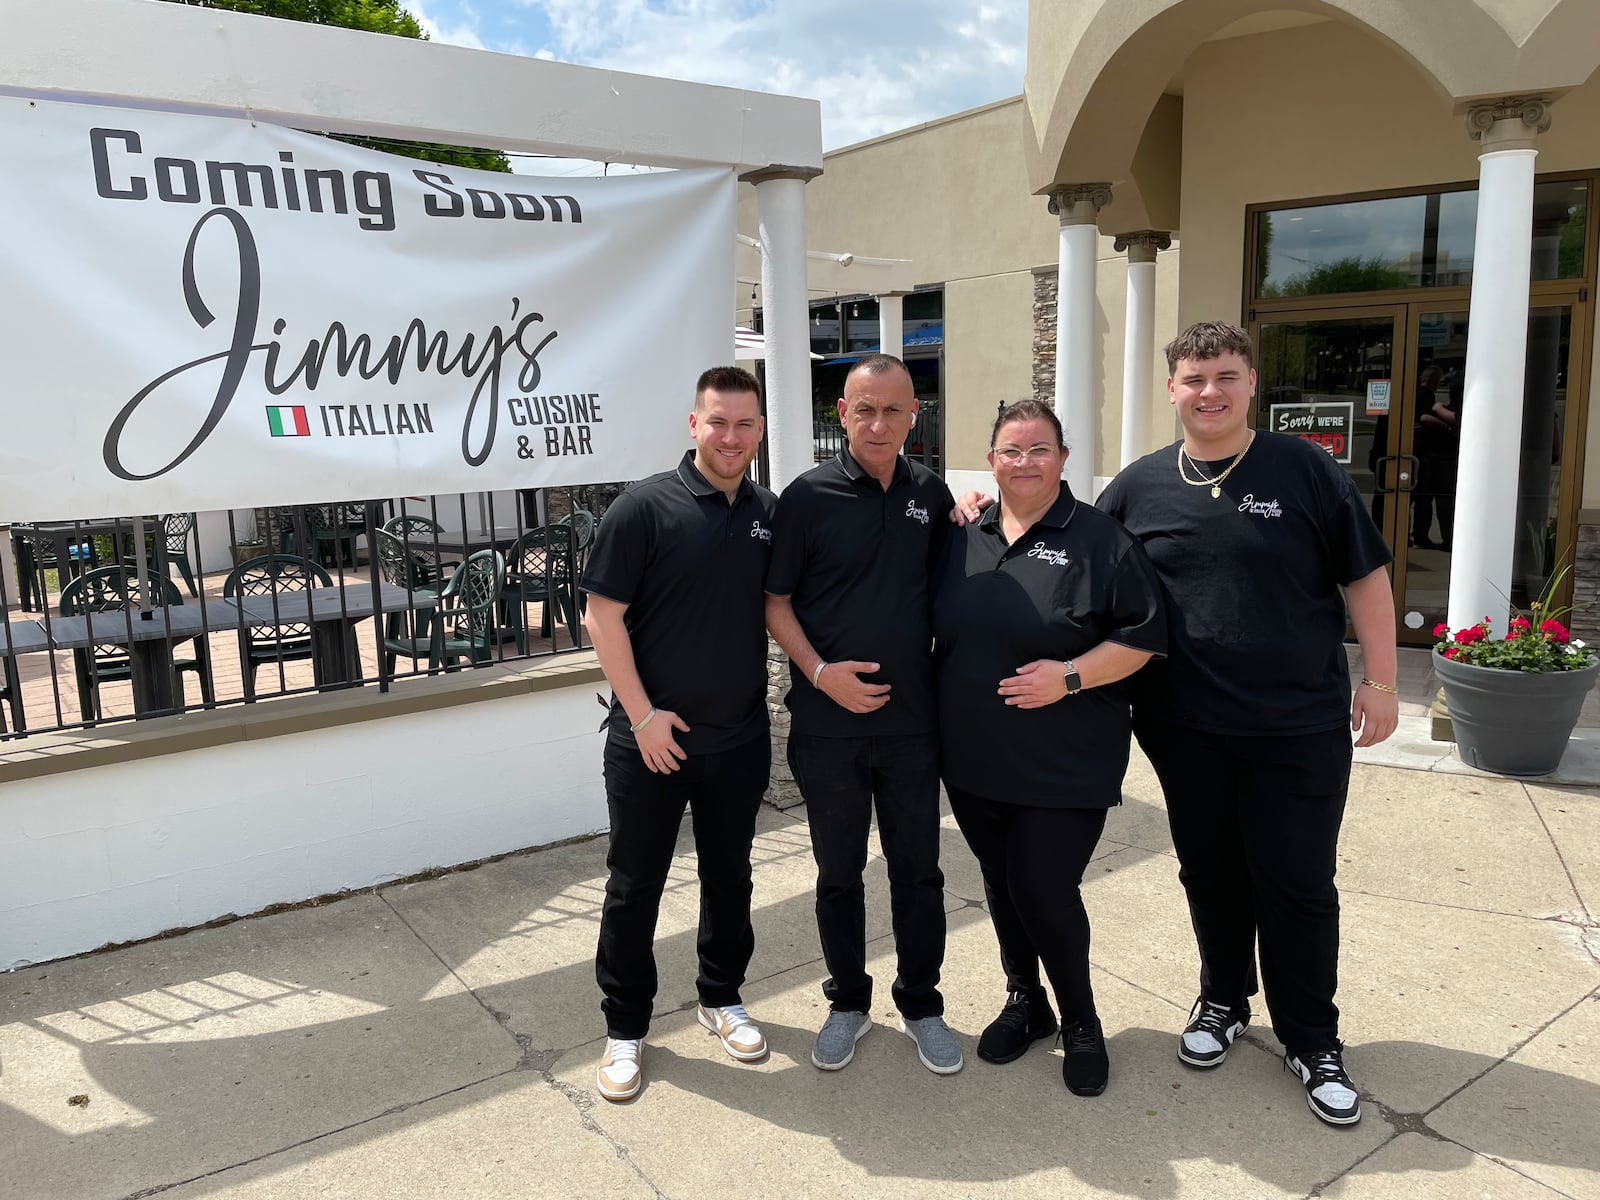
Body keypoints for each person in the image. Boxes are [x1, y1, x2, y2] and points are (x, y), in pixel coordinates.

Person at [1097, 321, 1399, 1128]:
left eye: (1225, 376)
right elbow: (1078, 553)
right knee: (1211, 872)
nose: (1210, 392)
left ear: (1251, 383)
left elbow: (1365, 579)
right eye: (1194, 379)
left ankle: (1312, 1039)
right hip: (1182, 726)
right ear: (1171, 390)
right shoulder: (1139, 486)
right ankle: (1222, 999)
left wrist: (1382, 680)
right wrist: (985, 507)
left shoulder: (1306, 471)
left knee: (1296, 884)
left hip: (1296, 726)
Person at [933, 399, 1165, 1096]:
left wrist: (1068, 677)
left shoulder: (1101, 540)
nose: (1024, 462)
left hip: (1066, 761)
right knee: (1003, 884)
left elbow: (1142, 640)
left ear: (1064, 459)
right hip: (974, 759)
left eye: (1039, 449)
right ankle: (1024, 1001)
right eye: (1011, 450)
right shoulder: (961, 533)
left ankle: (1082, 1021)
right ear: (991, 459)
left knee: (1044, 887)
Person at [580, 366, 776, 1103]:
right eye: (717, 422)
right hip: (649, 742)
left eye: (744, 425)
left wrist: (967, 506)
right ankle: (625, 1029)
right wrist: (643, 715)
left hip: (738, 740)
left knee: (730, 878)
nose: (731, 437)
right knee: (635, 888)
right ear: (693, 425)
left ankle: (720, 998)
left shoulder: (769, 511)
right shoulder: (642, 509)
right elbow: (603, 617)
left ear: (759, 431)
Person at [765, 352, 964, 1075]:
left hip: (914, 726)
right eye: (863, 409)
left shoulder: (932, 494)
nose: (878, 424)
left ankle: (921, 1004)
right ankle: (847, 1000)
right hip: (829, 729)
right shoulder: (806, 497)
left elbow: (958, 582)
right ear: (841, 414)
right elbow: (775, 602)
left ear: (915, 414)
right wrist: (821, 675)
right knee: (839, 874)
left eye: (894, 410)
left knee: (920, 873)